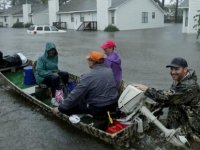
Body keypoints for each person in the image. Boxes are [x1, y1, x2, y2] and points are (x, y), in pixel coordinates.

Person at [134, 57, 200, 142]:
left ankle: (188, 136)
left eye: (176, 69)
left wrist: (147, 89)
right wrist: (154, 107)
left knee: (177, 142)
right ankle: (172, 127)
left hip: (193, 123)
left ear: (185, 69)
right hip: (184, 113)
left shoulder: (189, 85)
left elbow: (168, 98)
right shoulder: (180, 80)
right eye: (171, 69)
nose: (172, 72)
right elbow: (171, 98)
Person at [52, 51, 119, 117]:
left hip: (99, 109)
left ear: (93, 62)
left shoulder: (88, 76)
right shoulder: (110, 70)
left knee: (69, 107)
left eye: (88, 60)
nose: (87, 62)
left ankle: (85, 115)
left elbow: (76, 95)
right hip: (113, 105)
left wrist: (60, 108)